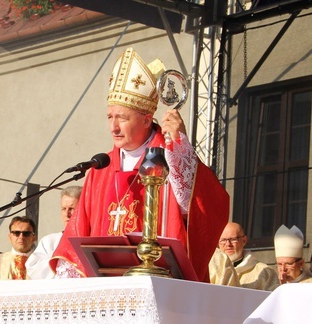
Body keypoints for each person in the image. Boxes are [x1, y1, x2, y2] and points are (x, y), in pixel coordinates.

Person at [52, 48, 228, 281]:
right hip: (106, 287)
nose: (113, 127)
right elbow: (78, 231)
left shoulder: (172, 160)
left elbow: (201, 211)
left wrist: (181, 150)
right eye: (109, 117)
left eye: (122, 118)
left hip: (161, 283)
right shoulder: (100, 169)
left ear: (146, 119)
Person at [26, 186, 81, 279]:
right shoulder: (49, 241)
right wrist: (61, 256)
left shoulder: (91, 240)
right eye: (64, 209)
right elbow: (32, 269)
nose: (67, 214)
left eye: (72, 208)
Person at [208, 222, 278, 291]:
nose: (228, 244)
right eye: (223, 240)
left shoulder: (265, 272)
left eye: (233, 239)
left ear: (244, 241)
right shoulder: (210, 269)